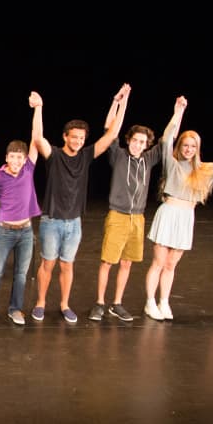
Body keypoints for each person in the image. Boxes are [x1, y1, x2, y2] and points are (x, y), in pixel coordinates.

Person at [32, 84, 129, 323]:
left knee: (67, 266)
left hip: (74, 222)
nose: (77, 140)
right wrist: (39, 108)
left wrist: (120, 101)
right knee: (48, 264)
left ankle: (65, 304)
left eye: (81, 137)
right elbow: (37, 138)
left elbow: (112, 134)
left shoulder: (86, 156)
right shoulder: (54, 155)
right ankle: (40, 303)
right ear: (65, 137)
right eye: (73, 136)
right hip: (52, 220)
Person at [143, 96, 213, 321]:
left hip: (186, 217)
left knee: (171, 264)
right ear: (181, 147)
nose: (188, 149)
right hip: (168, 213)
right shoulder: (172, 163)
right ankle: (150, 302)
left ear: (197, 149)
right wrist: (178, 112)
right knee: (158, 262)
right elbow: (166, 140)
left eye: (193, 146)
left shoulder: (204, 170)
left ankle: (164, 301)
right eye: (185, 145)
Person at [91, 94, 163, 322]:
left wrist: (178, 110)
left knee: (127, 262)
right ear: (129, 140)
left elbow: (168, 139)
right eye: (135, 140)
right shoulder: (119, 155)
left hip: (137, 218)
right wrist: (117, 102)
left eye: (143, 142)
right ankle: (100, 303)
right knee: (108, 262)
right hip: (118, 216)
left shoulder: (149, 159)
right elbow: (108, 128)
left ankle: (117, 303)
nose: (139, 145)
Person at [0, 91, 42, 325]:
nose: (15, 161)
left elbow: (36, 138)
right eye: (12, 157)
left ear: (25, 159)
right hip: (3, 231)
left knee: (21, 274)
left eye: (19, 158)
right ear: (7, 157)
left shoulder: (28, 170)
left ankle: (15, 309)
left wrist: (38, 108)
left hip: (25, 231)